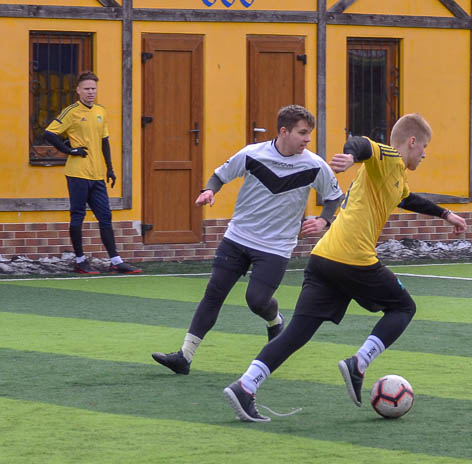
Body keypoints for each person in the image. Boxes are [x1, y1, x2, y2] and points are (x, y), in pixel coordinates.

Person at [222, 113, 468, 422]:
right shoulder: (388, 157)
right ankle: (359, 363)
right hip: (353, 258)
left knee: (298, 331)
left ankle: (245, 386)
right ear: (412, 141)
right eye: (425, 147)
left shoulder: (396, 177)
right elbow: (364, 145)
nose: (425, 154)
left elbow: (408, 199)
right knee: (403, 307)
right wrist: (350, 155)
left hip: (323, 258)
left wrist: (446, 214)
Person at [151, 105, 344, 375]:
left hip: (276, 246)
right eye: (302, 133)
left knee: (257, 300)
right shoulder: (253, 154)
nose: (308, 139)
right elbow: (219, 175)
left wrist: (324, 219)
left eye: (309, 133)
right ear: (284, 131)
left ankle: (275, 320)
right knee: (214, 292)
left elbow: (335, 195)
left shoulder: (314, 165)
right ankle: (184, 356)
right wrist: (209, 191)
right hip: (238, 237)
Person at [44, 71, 141, 274]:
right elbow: (49, 133)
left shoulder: (100, 111)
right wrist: (69, 150)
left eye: (93, 89)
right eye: (86, 89)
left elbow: (104, 142)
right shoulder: (71, 112)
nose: (90, 92)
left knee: (105, 217)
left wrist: (111, 169)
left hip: (97, 175)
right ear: (78, 90)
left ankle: (115, 260)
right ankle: (80, 261)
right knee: (77, 215)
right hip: (77, 173)